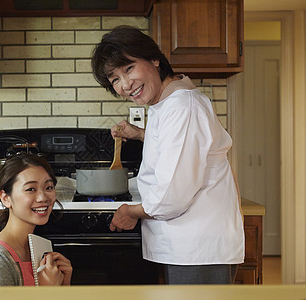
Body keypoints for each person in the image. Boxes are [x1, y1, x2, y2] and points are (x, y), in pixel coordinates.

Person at [91, 25, 244, 284]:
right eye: (115, 79)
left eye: (129, 69)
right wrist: (140, 133)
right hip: (189, 245)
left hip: (197, 247)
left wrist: (132, 212)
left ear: (154, 59)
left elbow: (172, 195)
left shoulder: (183, 107)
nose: (126, 85)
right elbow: (178, 146)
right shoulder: (168, 102)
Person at [0, 153, 72, 286]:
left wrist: (65, 285)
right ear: (5, 198)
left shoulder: (37, 249)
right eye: (30, 189)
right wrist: (46, 292)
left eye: (49, 187)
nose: (43, 198)